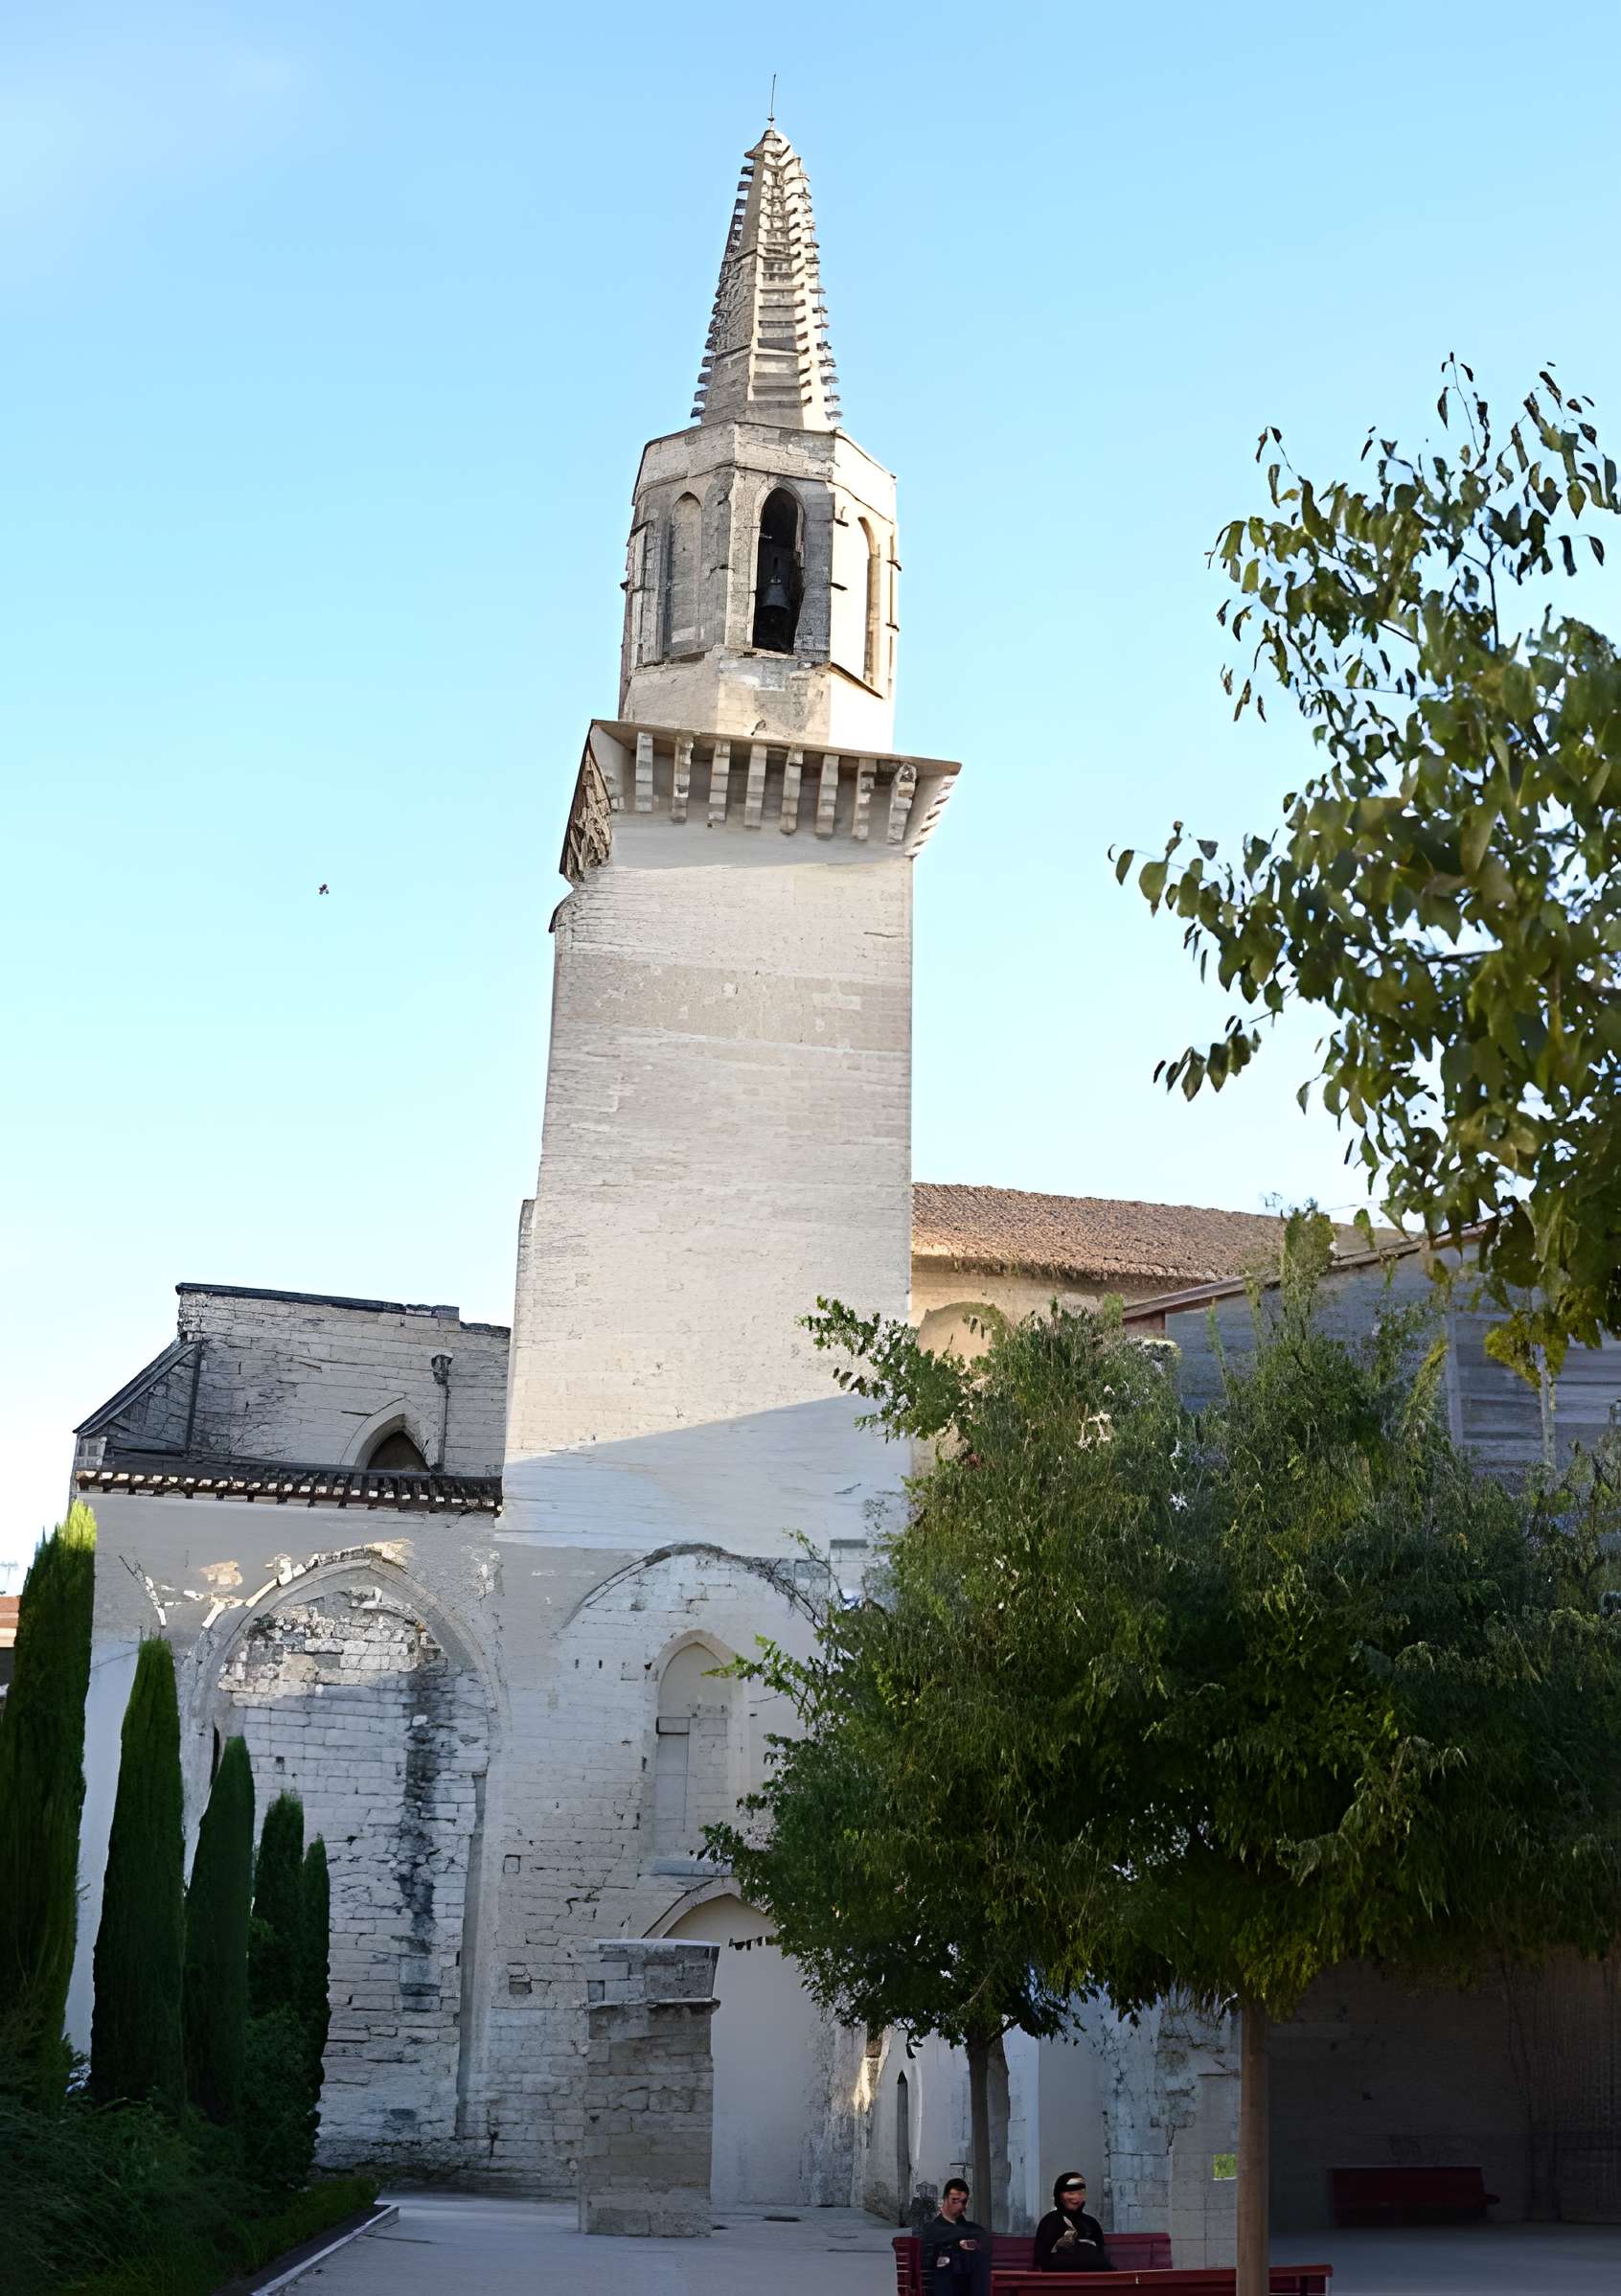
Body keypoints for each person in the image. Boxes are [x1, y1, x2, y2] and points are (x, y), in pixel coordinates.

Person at [920, 2177, 992, 2296]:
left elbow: (984, 2243)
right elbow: (927, 2263)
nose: (959, 2206)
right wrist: (958, 2244)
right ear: (945, 2199)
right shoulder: (930, 2229)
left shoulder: (975, 2230)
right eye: (955, 2200)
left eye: (963, 2202)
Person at [1033, 2172, 1112, 2272]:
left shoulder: (1091, 2223)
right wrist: (1058, 2246)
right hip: (1059, 2279)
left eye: (1080, 2193)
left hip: (1093, 2279)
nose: (1076, 2198)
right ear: (1059, 2194)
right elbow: (1040, 2262)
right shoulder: (1049, 2221)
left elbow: (1104, 2258)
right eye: (1071, 2193)